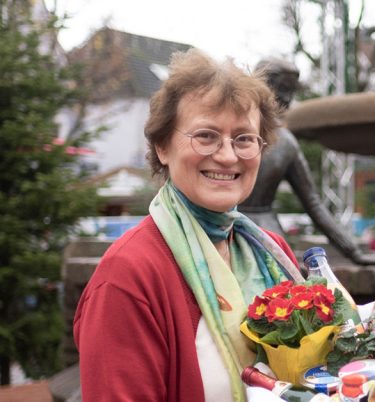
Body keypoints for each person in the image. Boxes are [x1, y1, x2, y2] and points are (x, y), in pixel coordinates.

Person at [74, 49, 304, 402]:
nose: (227, 156)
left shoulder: (271, 252)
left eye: (243, 138)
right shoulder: (127, 277)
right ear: (162, 146)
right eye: (206, 136)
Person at [240, 58, 375, 266]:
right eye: (282, 89)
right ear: (260, 86)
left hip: (268, 237)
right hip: (252, 233)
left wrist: (353, 252)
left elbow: (313, 204)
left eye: (291, 91)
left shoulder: (287, 143)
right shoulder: (235, 131)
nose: (287, 98)